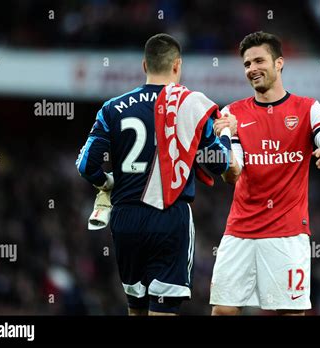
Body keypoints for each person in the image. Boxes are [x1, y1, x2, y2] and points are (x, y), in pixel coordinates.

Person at [76, 33, 236, 316]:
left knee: (135, 309)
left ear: (144, 66)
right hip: (168, 216)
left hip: (125, 219)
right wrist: (226, 133)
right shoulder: (191, 105)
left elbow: (86, 165)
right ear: (177, 65)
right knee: (162, 311)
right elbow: (220, 163)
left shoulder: (112, 108)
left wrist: (107, 183)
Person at [211, 31, 320, 315]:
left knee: (290, 313)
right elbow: (231, 174)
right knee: (223, 311)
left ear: (279, 63)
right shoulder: (232, 114)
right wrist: (225, 139)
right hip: (240, 230)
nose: (252, 69)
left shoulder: (308, 108)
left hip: (287, 232)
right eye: (247, 64)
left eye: (259, 60)